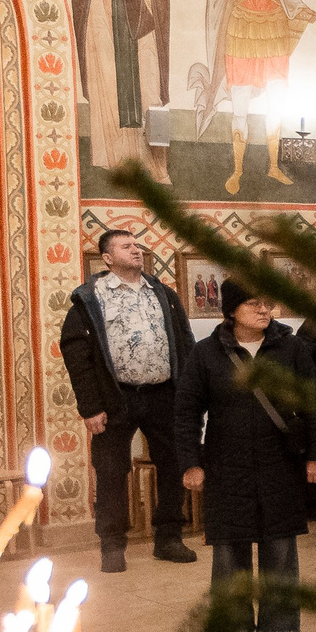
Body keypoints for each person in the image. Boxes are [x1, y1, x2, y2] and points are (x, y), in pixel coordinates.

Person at [177, 280, 316, 632]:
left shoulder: (290, 348)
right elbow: (187, 411)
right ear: (231, 311)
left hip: (280, 461)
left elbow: (313, 405)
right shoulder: (206, 353)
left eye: (267, 303)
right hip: (227, 462)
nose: (264, 310)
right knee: (230, 546)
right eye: (253, 303)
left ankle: (278, 623)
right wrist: (191, 461)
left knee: (280, 544)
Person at [61, 228, 201, 575]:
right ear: (108, 258)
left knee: (173, 464)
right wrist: (91, 407)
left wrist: (188, 393)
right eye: (126, 246)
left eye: (136, 245)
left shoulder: (163, 293)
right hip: (115, 398)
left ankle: (168, 538)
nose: (136, 250)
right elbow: (77, 357)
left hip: (163, 394)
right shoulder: (90, 298)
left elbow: (184, 342)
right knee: (111, 471)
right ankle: (112, 546)